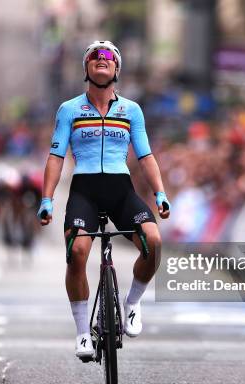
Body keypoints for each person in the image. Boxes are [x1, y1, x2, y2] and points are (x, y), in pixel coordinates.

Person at [36, 41, 171, 359]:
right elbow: (56, 157)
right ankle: (83, 332)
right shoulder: (69, 109)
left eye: (108, 56)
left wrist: (160, 192)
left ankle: (133, 302)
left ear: (117, 69)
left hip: (120, 189)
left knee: (153, 241)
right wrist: (47, 199)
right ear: (85, 68)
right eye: (94, 56)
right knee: (78, 252)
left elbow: (146, 156)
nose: (101, 59)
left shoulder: (131, 110)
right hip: (84, 190)